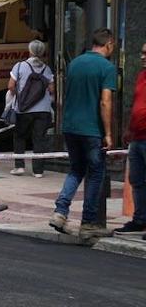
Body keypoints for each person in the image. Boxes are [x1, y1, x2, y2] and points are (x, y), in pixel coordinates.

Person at [51, 29, 118, 238]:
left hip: (70, 126)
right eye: (113, 46)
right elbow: (105, 101)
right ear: (108, 44)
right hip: (91, 129)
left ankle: (60, 211)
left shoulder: (74, 63)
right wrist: (108, 133)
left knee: (76, 169)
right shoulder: (107, 68)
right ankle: (89, 221)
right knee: (96, 173)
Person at [8, 40, 55, 178]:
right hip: (43, 110)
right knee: (39, 138)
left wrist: (21, 96)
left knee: (20, 136)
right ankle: (38, 171)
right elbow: (52, 89)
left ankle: (19, 166)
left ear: (30, 51)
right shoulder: (47, 69)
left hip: (24, 109)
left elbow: (11, 86)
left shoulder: (20, 66)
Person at [113, 42, 146, 237]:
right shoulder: (141, 76)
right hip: (137, 137)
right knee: (137, 180)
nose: (143, 57)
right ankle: (140, 219)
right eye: (142, 53)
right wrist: (128, 129)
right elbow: (136, 104)